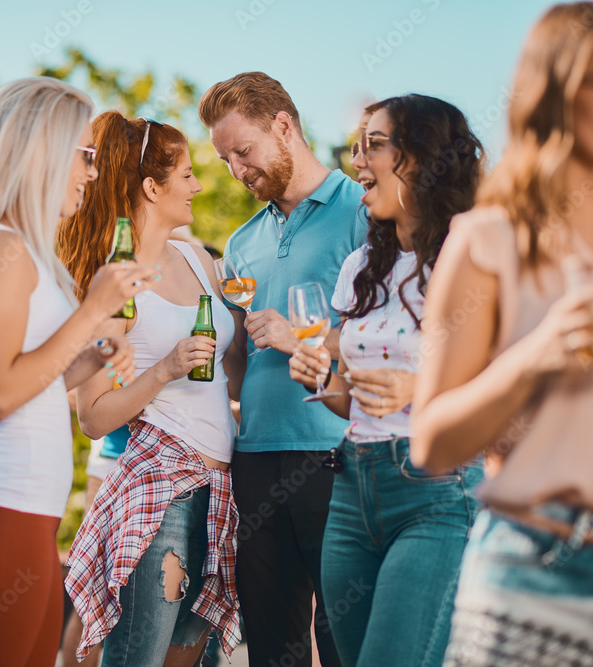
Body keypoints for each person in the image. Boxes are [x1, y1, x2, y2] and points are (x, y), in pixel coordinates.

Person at [410, 3, 593, 666]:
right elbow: (432, 443)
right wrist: (536, 356)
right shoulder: (487, 242)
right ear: (557, 94)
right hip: (535, 578)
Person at [0, 77, 153, 666]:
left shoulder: (29, 252)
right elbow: (0, 394)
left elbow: (33, 381)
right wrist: (89, 313)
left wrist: (92, 358)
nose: (91, 171)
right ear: (39, 154)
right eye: (83, 155)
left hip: (22, 520)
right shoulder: (0, 250)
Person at [288, 95, 485, 666]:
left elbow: (514, 377)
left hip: (437, 490)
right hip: (352, 487)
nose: (356, 161)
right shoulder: (360, 269)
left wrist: (419, 391)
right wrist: (326, 384)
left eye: (374, 145)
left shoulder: (470, 256)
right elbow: (351, 399)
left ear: (420, 159)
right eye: (358, 145)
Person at [197, 71, 368, 667]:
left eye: (243, 152)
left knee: (345, 641)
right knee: (271, 648)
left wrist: (301, 336)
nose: (237, 171)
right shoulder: (241, 242)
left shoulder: (361, 213)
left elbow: (388, 335)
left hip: (336, 454)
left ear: (284, 126)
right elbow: (241, 364)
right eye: (224, 160)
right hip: (255, 462)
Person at [58, 112, 241, 667]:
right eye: (186, 174)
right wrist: (162, 371)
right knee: (138, 658)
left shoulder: (197, 258)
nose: (198, 186)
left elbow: (233, 362)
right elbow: (92, 417)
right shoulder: (113, 279)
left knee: (192, 660)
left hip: (221, 485)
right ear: (151, 187)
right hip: (162, 487)